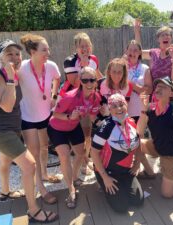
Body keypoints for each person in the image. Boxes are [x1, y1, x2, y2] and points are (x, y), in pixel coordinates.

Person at [0, 39, 58, 223]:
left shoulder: (16, 73)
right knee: (30, 165)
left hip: (12, 129)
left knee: (5, 161)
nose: (15, 57)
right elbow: (8, 106)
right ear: (0, 57)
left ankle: (5, 192)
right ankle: (33, 210)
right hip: (1, 132)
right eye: (9, 54)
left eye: (17, 54)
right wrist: (10, 78)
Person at [48, 67, 101, 208]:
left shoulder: (96, 97)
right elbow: (54, 114)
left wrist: (103, 123)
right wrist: (68, 116)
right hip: (57, 128)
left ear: (96, 81)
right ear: (80, 82)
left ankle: (75, 176)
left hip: (73, 127)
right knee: (64, 156)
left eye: (92, 79)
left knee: (81, 153)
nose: (89, 83)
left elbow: (93, 116)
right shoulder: (69, 97)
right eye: (85, 80)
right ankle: (71, 189)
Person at [19, 34, 61, 204]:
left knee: (44, 146)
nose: (48, 53)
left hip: (45, 114)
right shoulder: (21, 68)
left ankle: (44, 174)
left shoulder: (50, 66)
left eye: (48, 49)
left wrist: (54, 95)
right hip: (27, 117)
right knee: (34, 153)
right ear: (32, 51)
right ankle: (41, 188)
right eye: (44, 50)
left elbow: (58, 79)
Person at [137, 77, 173, 198]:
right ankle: (150, 172)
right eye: (157, 86)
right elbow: (139, 131)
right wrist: (143, 109)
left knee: (167, 193)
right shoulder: (150, 109)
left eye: (164, 87)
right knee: (134, 143)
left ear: (172, 93)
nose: (159, 88)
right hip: (157, 146)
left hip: (171, 154)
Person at [91, 93, 144, 213]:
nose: (119, 109)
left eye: (121, 105)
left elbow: (138, 143)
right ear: (109, 109)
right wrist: (105, 177)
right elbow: (93, 153)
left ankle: (122, 188)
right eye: (114, 106)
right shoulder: (105, 127)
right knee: (121, 207)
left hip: (126, 170)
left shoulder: (131, 122)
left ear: (126, 105)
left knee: (138, 201)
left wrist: (137, 163)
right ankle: (102, 184)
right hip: (108, 172)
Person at [63, 32, 103, 175]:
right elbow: (74, 83)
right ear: (76, 47)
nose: (85, 49)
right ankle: (83, 162)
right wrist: (84, 67)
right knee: (78, 136)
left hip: (90, 101)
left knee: (88, 134)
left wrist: (107, 85)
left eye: (87, 45)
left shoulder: (94, 59)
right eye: (82, 46)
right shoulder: (70, 61)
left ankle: (86, 159)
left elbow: (98, 75)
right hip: (73, 103)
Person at [125, 40, 152, 123]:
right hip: (122, 110)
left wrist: (132, 85)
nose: (132, 53)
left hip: (139, 110)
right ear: (126, 51)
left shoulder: (145, 68)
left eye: (135, 50)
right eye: (130, 50)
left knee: (139, 135)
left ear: (140, 53)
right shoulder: (121, 67)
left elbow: (149, 90)